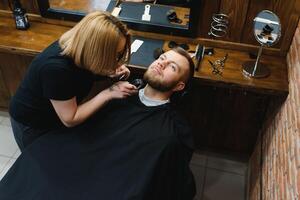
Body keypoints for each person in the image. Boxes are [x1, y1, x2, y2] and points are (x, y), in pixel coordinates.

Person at [0, 47, 196, 200]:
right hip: (74, 161)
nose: (162, 64)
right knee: (33, 171)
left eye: (172, 67)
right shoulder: (117, 94)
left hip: (112, 184)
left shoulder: (172, 131)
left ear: (179, 86)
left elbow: (167, 182)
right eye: (162, 58)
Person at [9, 11, 137, 151]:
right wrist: (109, 93)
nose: (116, 60)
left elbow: (84, 72)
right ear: (97, 50)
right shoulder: (56, 69)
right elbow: (70, 118)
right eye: (114, 54)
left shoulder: (80, 48)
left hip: (55, 116)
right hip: (32, 124)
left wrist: (109, 71)